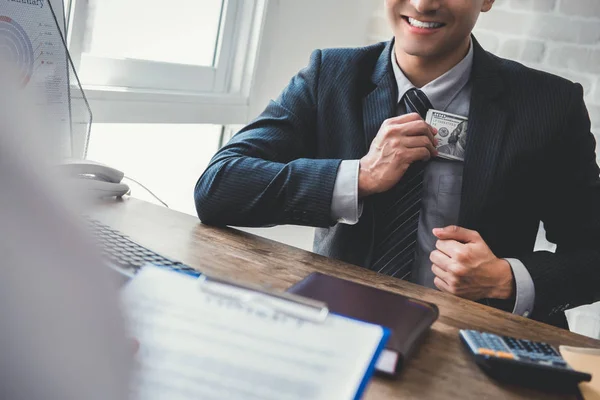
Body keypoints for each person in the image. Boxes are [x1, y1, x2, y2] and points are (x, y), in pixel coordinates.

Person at [195, 0, 600, 328]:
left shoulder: (550, 105)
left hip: (478, 341)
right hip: (341, 325)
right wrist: (360, 176)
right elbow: (219, 187)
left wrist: (507, 279)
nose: (424, 4)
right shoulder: (328, 75)